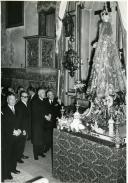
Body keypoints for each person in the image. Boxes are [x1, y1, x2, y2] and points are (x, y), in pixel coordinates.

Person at [87, 8, 126, 98]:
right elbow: (101, 36)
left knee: (107, 66)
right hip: (105, 47)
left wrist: (99, 44)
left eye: (106, 15)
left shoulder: (106, 24)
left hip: (106, 47)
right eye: (103, 15)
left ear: (108, 16)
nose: (105, 16)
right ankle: (105, 89)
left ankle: (108, 89)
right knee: (103, 66)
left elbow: (105, 37)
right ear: (101, 17)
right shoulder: (103, 24)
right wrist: (98, 43)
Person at [2, 93, 21, 180]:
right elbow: (3, 125)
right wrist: (13, 131)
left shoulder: (17, 109)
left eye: (14, 99)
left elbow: (20, 121)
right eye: (11, 99)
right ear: (7, 100)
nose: (13, 101)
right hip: (8, 137)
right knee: (8, 155)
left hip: (17, 136)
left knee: (15, 153)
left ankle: (13, 168)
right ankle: (7, 172)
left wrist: (20, 130)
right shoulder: (3, 110)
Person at [31, 88, 51, 160]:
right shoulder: (35, 101)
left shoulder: (45, 101)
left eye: (44, 92)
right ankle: (35, 154)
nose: (44, 94)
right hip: (37, 123)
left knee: (42, 138)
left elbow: (48, 109)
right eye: (43, 93)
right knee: (37, 139)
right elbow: (36, 112)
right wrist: (45, 116)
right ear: (39, 94)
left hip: (44, 123)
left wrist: (49, 115)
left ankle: (40, 152)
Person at [15, 91, 30, 163]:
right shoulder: (19, 105)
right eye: (24, 97)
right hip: (21, 128)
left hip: (25, 127)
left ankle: (20, 154)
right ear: (21, 97)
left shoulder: (25, 104)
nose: (26, 98)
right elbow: (19, 119)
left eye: (27, 96)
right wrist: (23, 129)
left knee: (23, 143)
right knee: (20, 143)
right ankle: (17, 157)